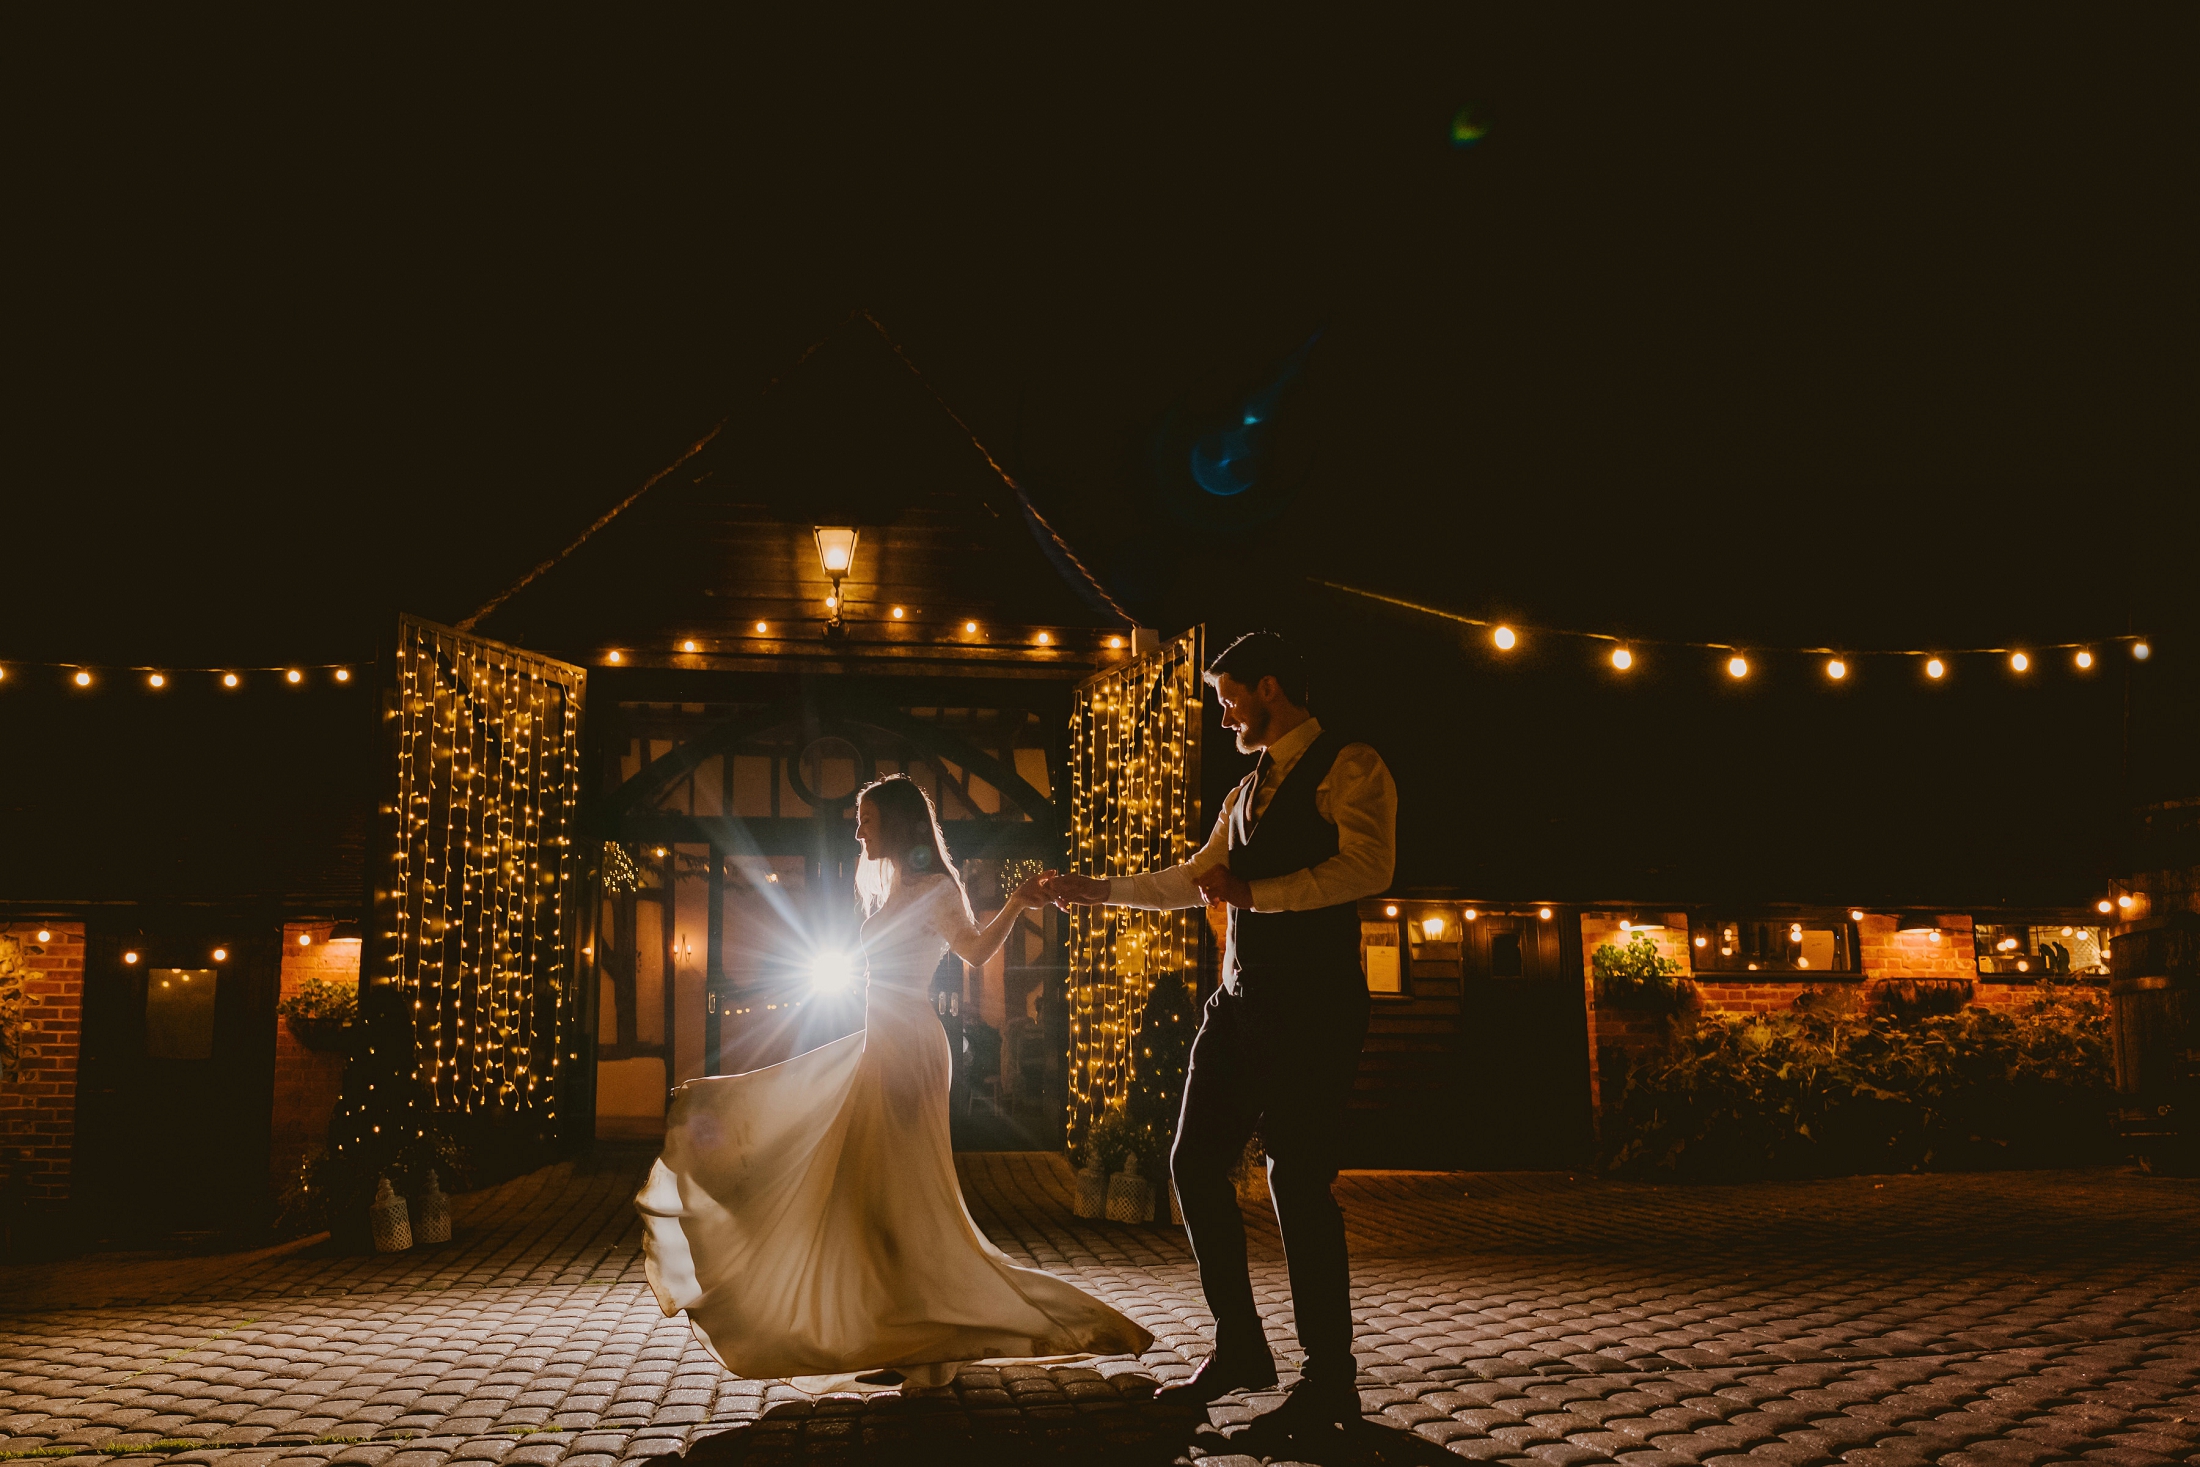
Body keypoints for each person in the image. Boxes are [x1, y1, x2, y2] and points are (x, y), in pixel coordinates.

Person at [636, 774, 1152, 1390]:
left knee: (901, 1195)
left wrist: (1015, 901)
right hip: (876, 1038)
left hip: (910, 1045)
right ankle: (901, 1332)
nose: (858, 830)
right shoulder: (886, 892)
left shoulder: (936, 889)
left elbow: (978, 953)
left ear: (900, 824)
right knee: (870, 1198)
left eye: (868, 819)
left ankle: (929, 1344)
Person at [1042, 630, 1396, 1424]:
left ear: (1269, 685)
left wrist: (1256, 891)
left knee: (1295, 1180)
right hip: (1236, 1006)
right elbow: (1194, 881)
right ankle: (1240, 1345)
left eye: (1228, 694)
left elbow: (1369, 867)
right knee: (1193, 1164)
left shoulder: (1352, 763)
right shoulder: (1242, 792)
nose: (1223, 710)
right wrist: (1094, 889)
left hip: (1315, 1007)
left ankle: (1328, 1377)